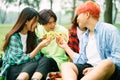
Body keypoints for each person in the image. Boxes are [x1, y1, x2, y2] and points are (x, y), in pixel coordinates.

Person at [56, 1, 120, 80]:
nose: (77, 18)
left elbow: (117, 58)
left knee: (107, 63)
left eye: (78, 14)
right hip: (88, 68)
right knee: (66, 65)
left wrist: (95, 69)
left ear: (87, 14)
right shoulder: (85, 37)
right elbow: (82, 60)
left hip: (108, 70)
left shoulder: (110, 30)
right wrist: (65, 46)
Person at [0, 7, 59, 80]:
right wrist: (39, 47)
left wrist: (39, 42)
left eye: (37, 21)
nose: (36, 25)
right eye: (34, 21)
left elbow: (37, 57)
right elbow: (20, 60)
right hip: (14, 70)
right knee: (34, 63)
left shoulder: (31, 35)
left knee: (45, 60)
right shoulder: (14, 37)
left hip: (28, 69)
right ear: (26, 21)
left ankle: (35, 78)